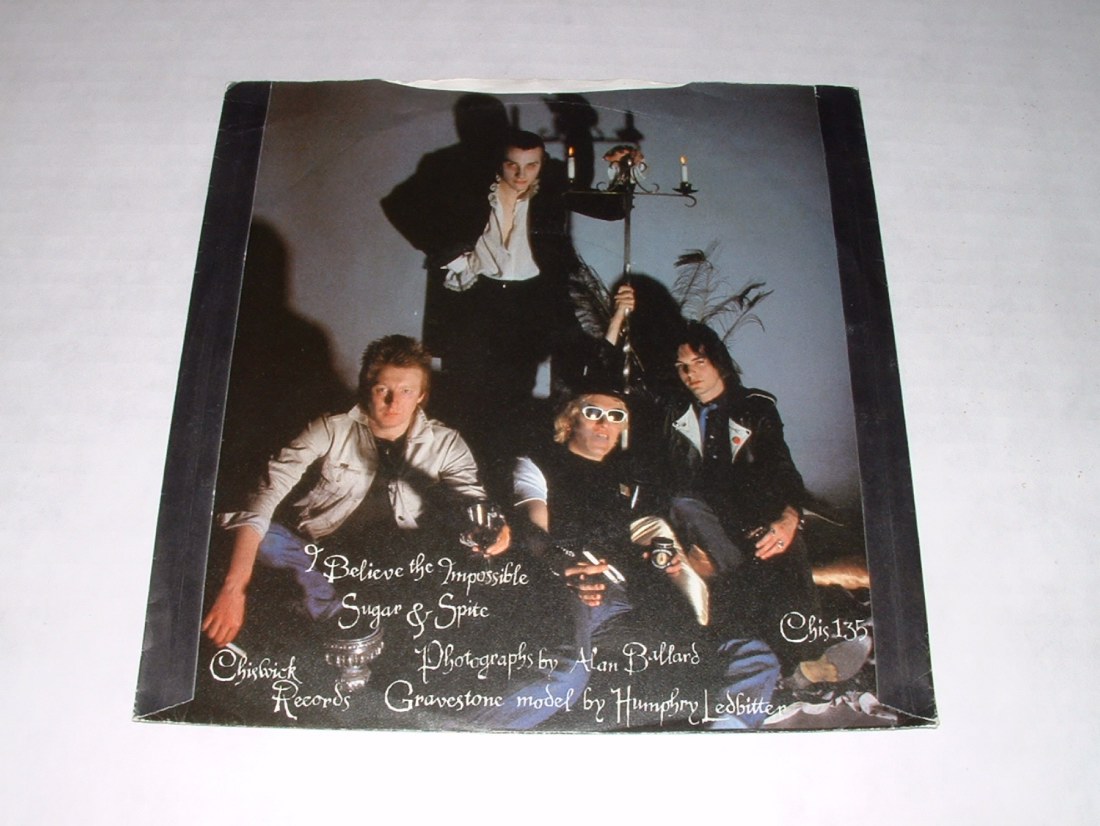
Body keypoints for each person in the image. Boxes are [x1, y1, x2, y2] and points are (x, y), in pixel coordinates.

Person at [473, 387, 780, 730]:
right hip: (569, 587)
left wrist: (660, 561)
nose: (605, 423)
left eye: (616, 416)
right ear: (570, 420)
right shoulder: (535, 463)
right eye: (593, 413)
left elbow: (639, 536)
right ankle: (465, 739)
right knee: (565, 676)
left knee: (754, 656)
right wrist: (560, 562)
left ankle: (722, 743)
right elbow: (533, 528)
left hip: (627, 603)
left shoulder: (626, 479)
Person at [202, 334, 509, 648]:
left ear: (421, 395)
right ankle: (328, 611)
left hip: (403, 559)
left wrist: (493, 529)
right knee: (265, 537)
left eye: (406, 391)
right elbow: (266, 493)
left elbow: (472, 498)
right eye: (383, 390)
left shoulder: (446, 442)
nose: (393, 403)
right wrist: (233, 589)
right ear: (366, 387)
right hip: (322, 552)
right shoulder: (329, 427)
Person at [382, 128, 620, 478]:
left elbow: (613, 210)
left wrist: (622, 170)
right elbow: (397, 206)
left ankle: (498, 480)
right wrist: (449, 255)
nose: (522, 175)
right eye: (512, 165)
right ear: (499, 163)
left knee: (513, 397)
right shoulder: (471, 189)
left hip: (527, 304)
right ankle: (456, 479)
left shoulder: (552, 187)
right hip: (477, 300)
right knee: (464, 392)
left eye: (532, 166)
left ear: (542, 164)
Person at [664, 321, 824, 674]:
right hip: (701, 520)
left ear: (719, 362)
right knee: (683, 503)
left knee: (780, 542)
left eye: (699, 362)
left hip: (752, 516)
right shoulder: (674, 413)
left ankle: (805, 656)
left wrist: (790, 518)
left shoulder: (755, 407)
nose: (690, 374)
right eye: (682, 366)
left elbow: (782, 467)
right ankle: (787, 664)